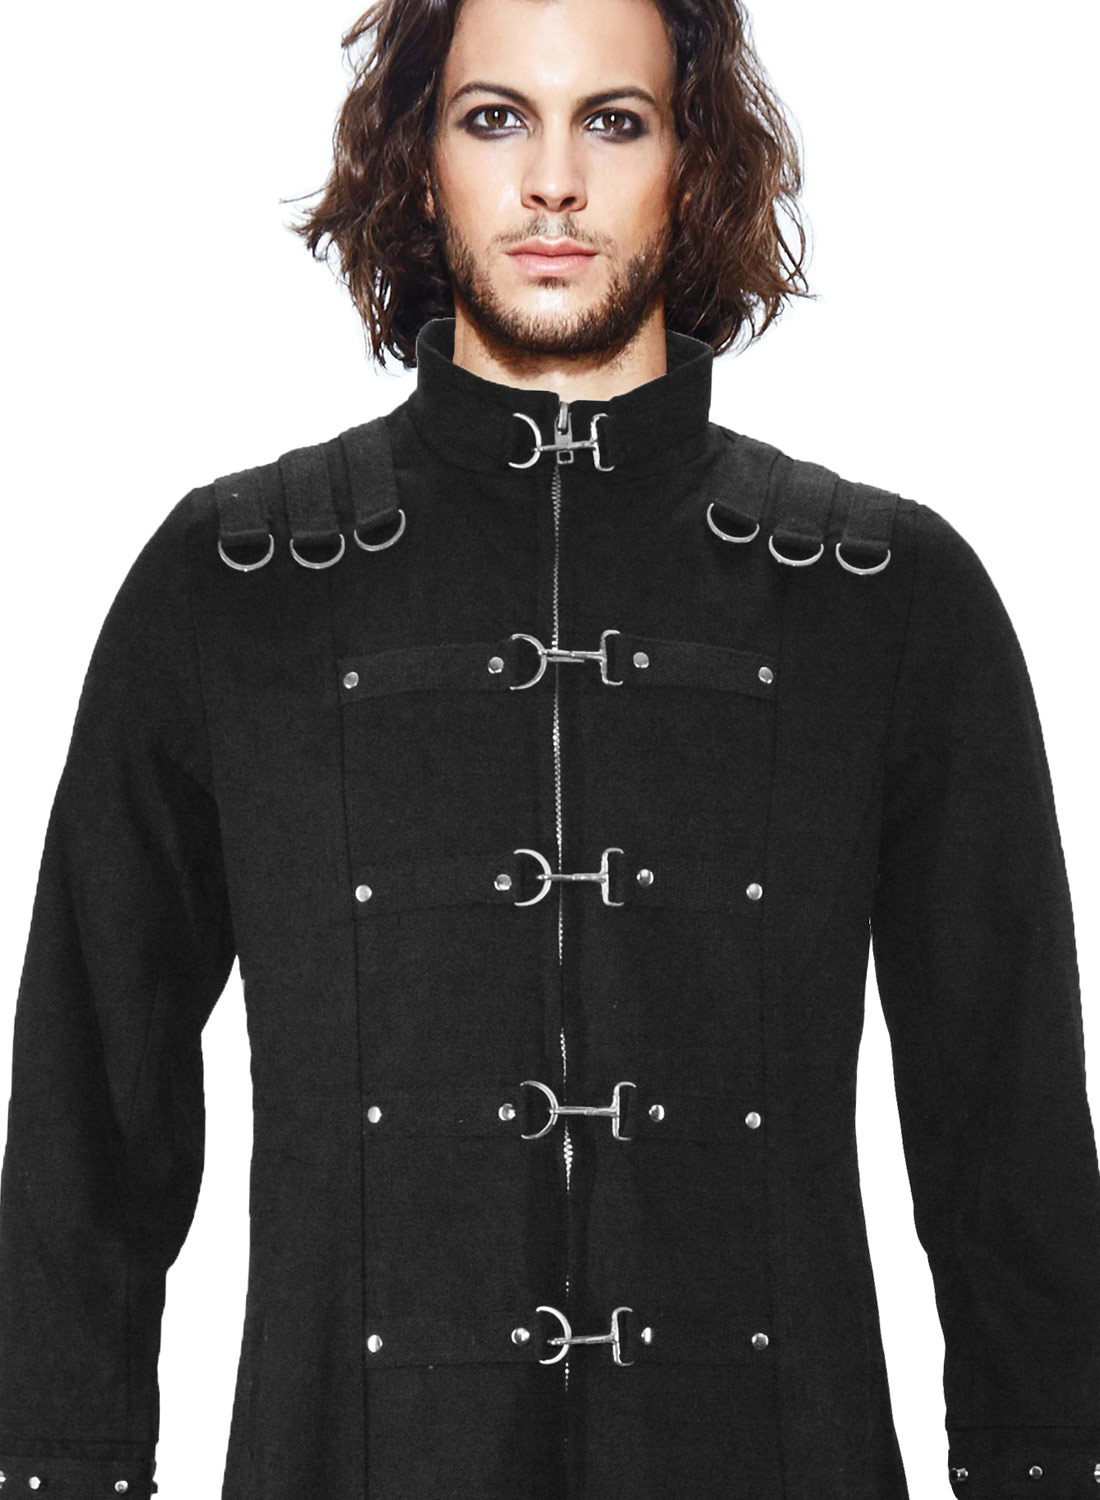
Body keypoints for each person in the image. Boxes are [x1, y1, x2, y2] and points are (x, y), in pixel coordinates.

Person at [1, 0, 1097, 1497]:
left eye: (615, 121)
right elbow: (89, 1116)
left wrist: (1048, 1465)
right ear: (421, 157)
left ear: (692, 160)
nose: (554, 183)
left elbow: (1006, 1135)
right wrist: (60, 1466)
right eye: (496, 117)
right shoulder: (234, 591)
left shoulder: (886, 603)